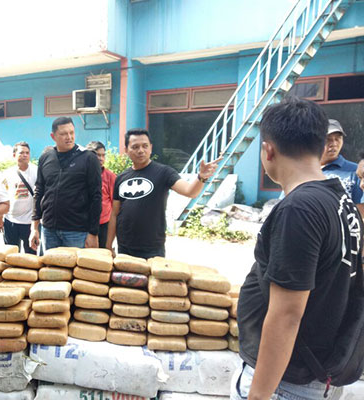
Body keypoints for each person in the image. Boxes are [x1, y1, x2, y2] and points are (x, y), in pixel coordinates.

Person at [232, 97, 362, 400]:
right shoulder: (340, 200)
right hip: (314, 374)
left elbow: (287, 315)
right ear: (320, 146)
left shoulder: (300, 209)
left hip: (286, 384)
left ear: (268, 150)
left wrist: (259, 395)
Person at [106, 129, 220, 259]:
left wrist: (201, 177)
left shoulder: (164, 172)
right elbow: (114, 214)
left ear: (151, 148)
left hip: (152, 249)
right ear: (126, 150)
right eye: (135, 147)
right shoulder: (121, 178)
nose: (141, 150)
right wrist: (108, 245)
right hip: (124, 247)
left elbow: (190, 191)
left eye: (145, 146)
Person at [30, 117, 102, 252]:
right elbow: (39, 192)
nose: (69, 137)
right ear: (53, 136)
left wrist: (93, 233)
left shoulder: (88, 158)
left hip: (77, 231)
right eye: (63, 134)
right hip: (49, 230)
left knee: (75, 266)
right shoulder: (46, 158)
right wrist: (34, 228)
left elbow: (96, 196)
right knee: (49, 265)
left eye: (71, 132)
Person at [3, 142, 38, 254]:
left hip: (29, 221)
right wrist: (0, 219)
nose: (25, 155)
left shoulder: (37, 172)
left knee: (30, 256)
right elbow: (2, 196)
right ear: (14, 155)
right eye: (21, 153)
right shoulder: (7, 173)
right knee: (10, 255)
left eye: (27, 153)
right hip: (10, 220)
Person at [320, 119, 363, 202]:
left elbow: (362, 206)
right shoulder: (305, 171)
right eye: (328, 139)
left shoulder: (356, 172)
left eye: (337, 139)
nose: (334, 144)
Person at [86, 141, 116, 248]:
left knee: (103, 254)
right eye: (98, 155)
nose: (101, 159)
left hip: (104, 224)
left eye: (103, 155)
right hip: (84, 223)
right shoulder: (81, 174)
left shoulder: (110, 176)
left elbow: (115, 203)